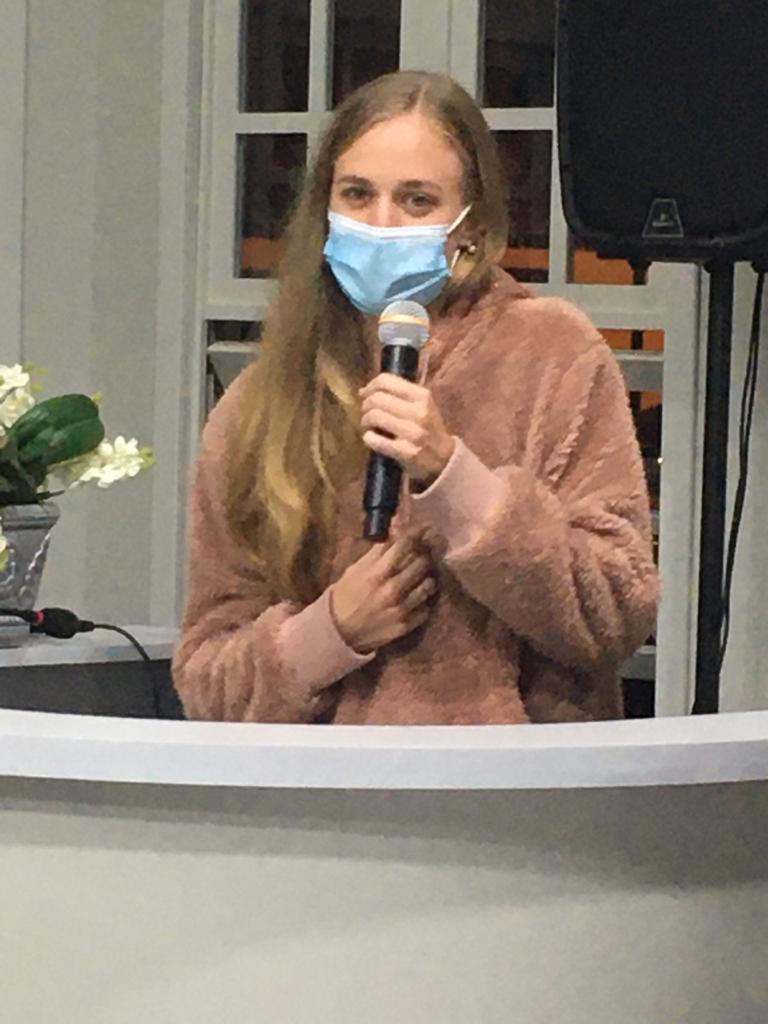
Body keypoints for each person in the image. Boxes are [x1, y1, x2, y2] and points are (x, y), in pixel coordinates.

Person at [172, 71, 659, 725]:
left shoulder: (553, 355)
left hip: (514, 779)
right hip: (325, 784)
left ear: (470, 224)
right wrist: (329, 633)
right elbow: (206, 682)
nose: (381, 223)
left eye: (416, 200)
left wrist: (456, 481)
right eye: (357, 194)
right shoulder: (259, 402)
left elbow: (616, 612)